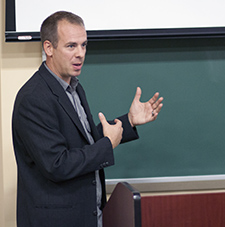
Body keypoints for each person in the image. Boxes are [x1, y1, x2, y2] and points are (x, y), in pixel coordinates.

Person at [12, 11, 163, 227]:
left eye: (84, 45)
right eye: (71, 46)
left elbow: (82, 141)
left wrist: (128, 121)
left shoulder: (75, 88)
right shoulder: (34, 98)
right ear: (48, 48)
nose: (80, 53)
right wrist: (107, 144)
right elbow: (57, 164)